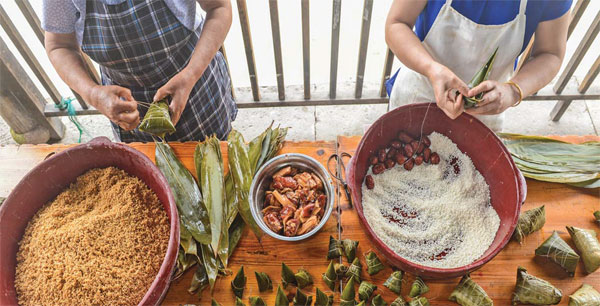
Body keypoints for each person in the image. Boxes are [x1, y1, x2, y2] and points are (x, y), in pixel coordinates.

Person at [43, 0, 236, 142]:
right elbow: (59, 46)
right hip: (128, 103)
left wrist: (191, 74)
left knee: (215, 159)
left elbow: (219, 8)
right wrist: (92, 93)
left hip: (195, 82)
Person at [385, 0, 571, 131]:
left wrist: (512, 91)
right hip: (420, 91)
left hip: (485, 111)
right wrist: (432, 69)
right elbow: (397, 23)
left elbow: (550, 54)